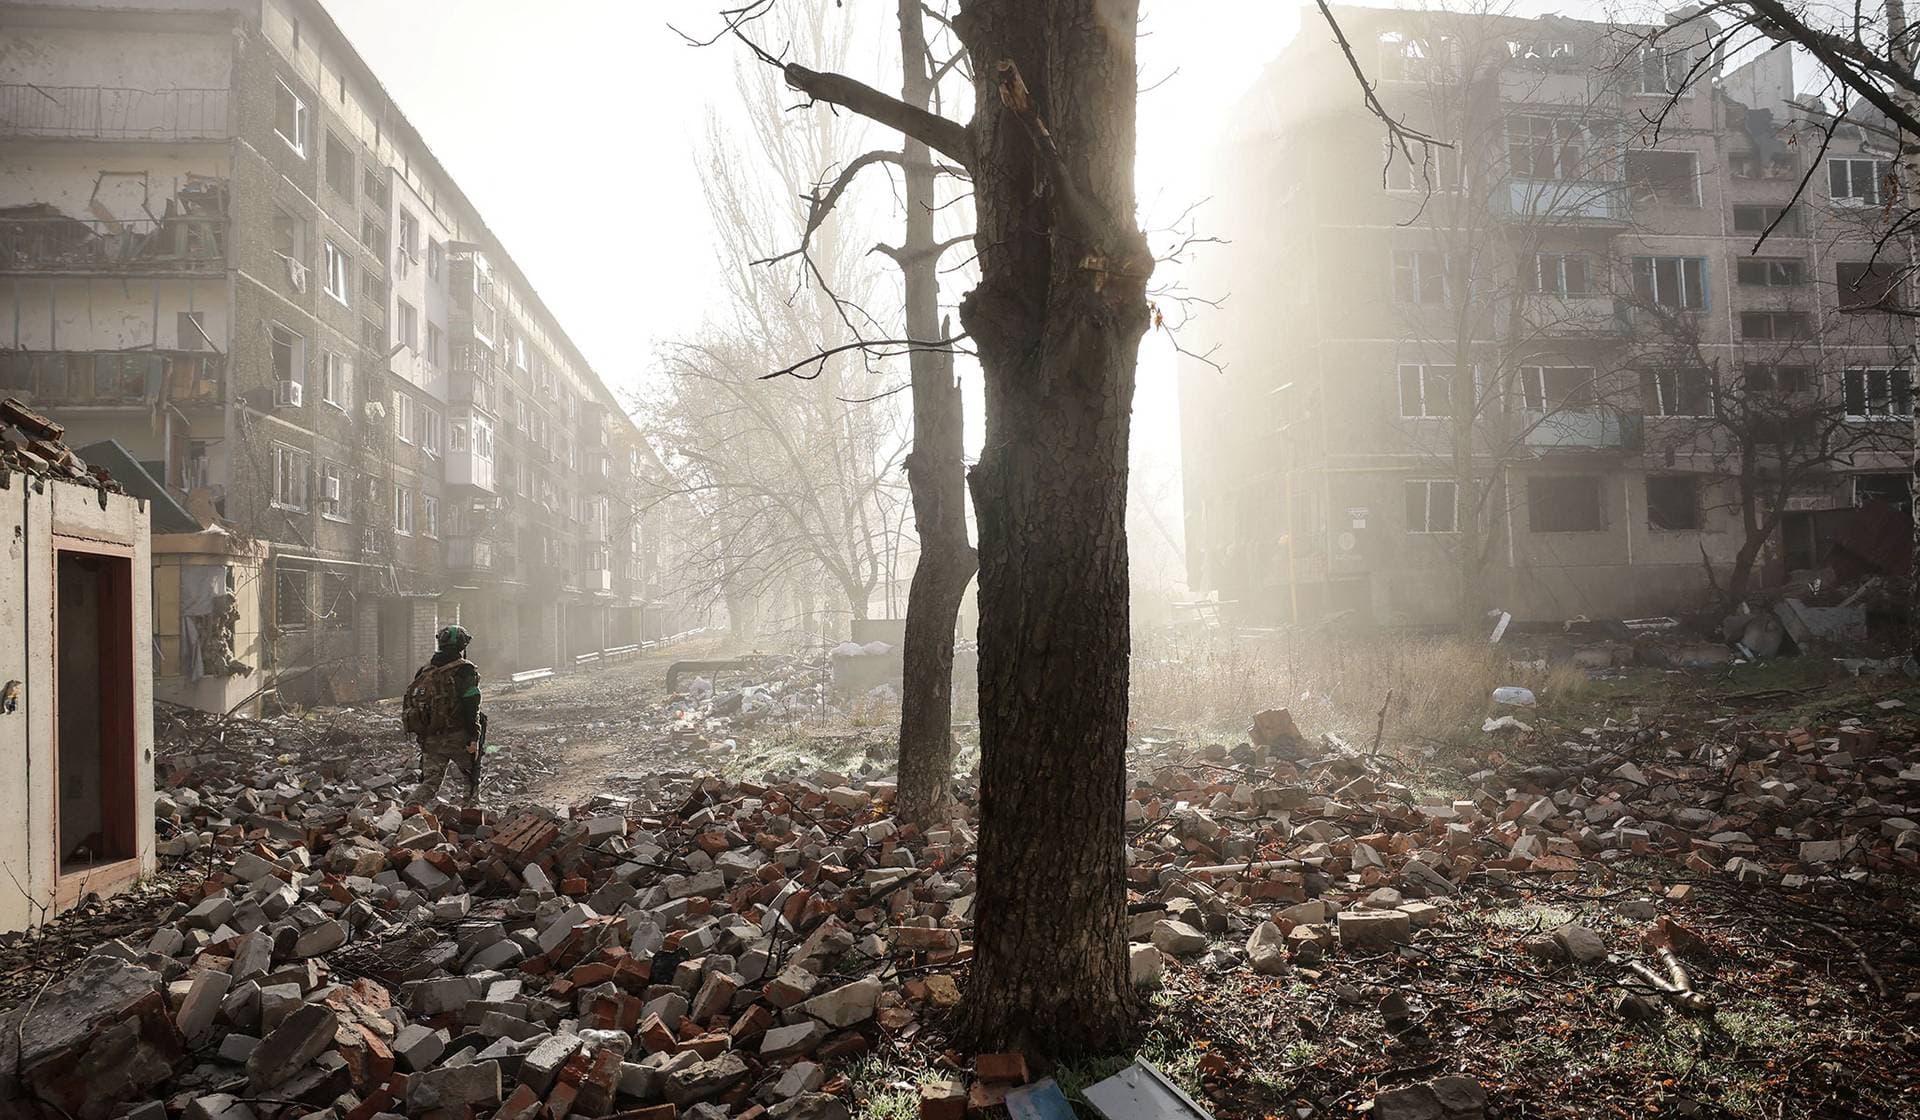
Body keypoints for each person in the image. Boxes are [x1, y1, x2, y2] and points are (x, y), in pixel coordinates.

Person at [402, 624, 483, 806]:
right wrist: (474, 736)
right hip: (458, 738)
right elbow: (472, 705)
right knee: (471, 778)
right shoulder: (465, 670)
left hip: (430, 740)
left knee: (430, 784)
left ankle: (405, 815)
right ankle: (471, 820)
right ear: (462, 646)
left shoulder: (424, 671)